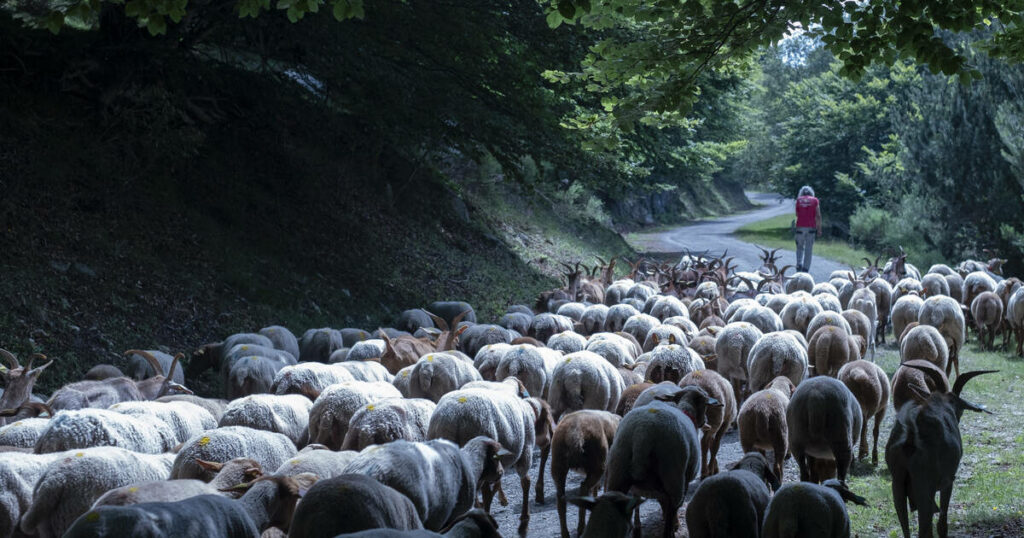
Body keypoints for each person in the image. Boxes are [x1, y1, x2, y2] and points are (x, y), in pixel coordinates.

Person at [794, 186, 822, 272]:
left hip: (800, 227)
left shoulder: (798, 200)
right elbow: (818, 216)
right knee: (808, 249)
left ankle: (799, 264)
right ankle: (805, 269)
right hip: (811, 228)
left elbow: (796, 214)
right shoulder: (815, 200)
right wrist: (819, 229)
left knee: (799, 247)